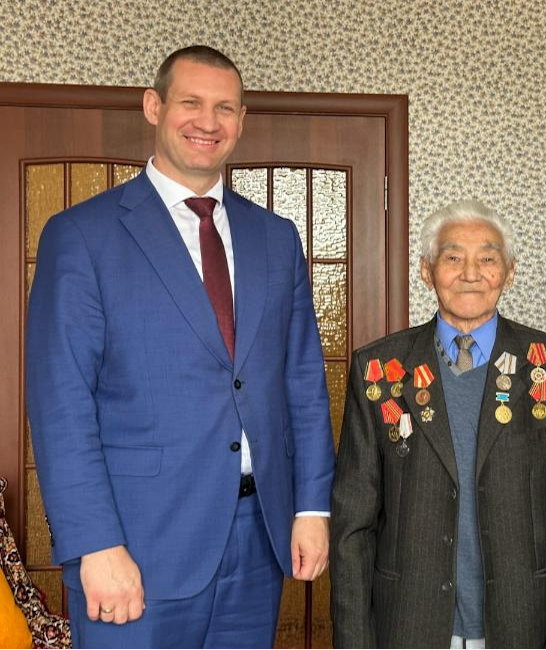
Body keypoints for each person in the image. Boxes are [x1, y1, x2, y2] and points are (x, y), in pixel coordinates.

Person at [25, 45, 334, 648]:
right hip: (133, 545)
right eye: (191, 102)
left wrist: (312, 507)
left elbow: (303, 382)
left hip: (259, 539)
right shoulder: (81, 235)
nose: (207, 121)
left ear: (241, 120)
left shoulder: (276, 238)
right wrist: (95, 542)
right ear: (154, 106)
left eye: (225, 108)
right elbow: (61, 404)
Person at [331, 200, 546, 648]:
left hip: (524, 623)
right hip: (409, 624)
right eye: (453, 257)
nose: (470, 273)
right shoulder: (379, 368)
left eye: (487, 259)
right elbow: (352, 525)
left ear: (509, 273)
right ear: (426, 271)